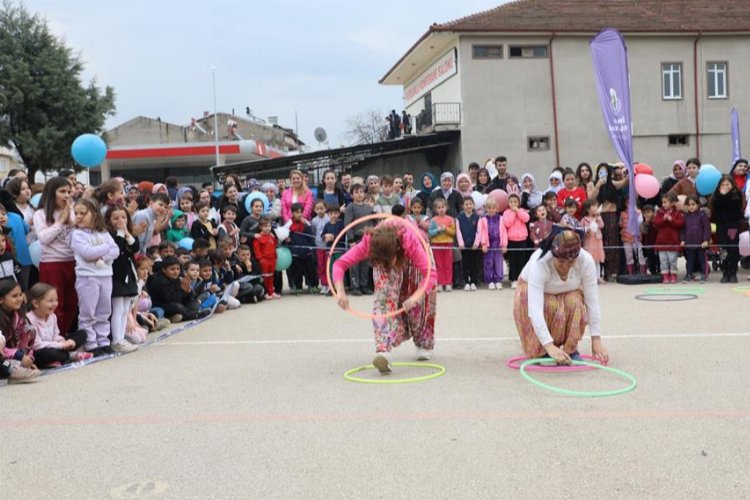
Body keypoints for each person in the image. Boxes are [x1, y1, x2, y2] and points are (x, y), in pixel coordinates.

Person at [332, 219, 437, 373]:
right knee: (383, 300)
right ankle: (383, 351)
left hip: (417, 259)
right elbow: (339, 264)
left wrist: (415, 297)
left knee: (417, 304)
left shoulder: (409, 241)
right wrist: (340, 292)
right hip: (386, 255)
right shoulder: (369, 243)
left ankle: (422, 342)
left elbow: (430, 274)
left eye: (386, 262)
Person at [513, 229, 609, 365]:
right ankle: (542, 351)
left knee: (575, 301)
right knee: (548, 303)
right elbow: (534, 309)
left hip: (568, 294)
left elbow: (592, 302)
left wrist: (596, 340)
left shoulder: (586, 261)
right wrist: (548, 345)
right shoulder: (539, 262)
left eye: (571, 262)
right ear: (553, 256)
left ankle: (571, 350)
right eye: (561, 262)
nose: (565, 267)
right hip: (536, 295)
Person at [70, 198, 120, 355]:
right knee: (88, 312)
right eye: (76, 213)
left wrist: (102, 256)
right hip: (87, 277)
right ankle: (91, 343)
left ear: (94, 214)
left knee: (104, 311)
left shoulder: (103, 233)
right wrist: (105, 248)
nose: (78, 217)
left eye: (83, 213)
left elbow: (116, 251)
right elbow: (87, 253)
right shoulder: (77, 234)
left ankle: (103, 340)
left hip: (105, 275)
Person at [33, 177, 78, 335]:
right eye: (62, 191)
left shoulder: (71, 211)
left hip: (72, 261)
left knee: (72, 302)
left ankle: (63, 334)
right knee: (54, 304)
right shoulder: (40, 213)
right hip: (52, 263)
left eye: (68, 191)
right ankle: (55, 337)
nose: (66, 195)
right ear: (52, 193)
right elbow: (44, 237)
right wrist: (61, 221)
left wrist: (70, 216)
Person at [28, 283, 92, 368]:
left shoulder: (52, 316)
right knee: (49, 354)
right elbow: (36, 345)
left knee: (82, 334)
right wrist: (61, 345)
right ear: (36, 303)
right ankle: (70, 356)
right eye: (50, 301)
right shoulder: (29, 320)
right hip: (40, 351)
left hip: (55, 346)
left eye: (56, 300)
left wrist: (63, 341)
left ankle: (60, 357)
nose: (55, 304)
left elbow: (55, 335)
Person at [106, 205, 141, 352]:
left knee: (126, 306)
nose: (120, 221)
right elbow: (116, 249)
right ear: (108, 220)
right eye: (116, 218)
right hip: (116, 275)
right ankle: (116, 339)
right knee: (118, 308)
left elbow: (135, 247)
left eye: (123, 218)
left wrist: (126, 233)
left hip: (128, 274)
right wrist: (120, 232)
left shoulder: (128, 234)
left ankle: (121, 337)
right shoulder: (110, 236)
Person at [710, 175, 744, 283]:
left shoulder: (737, 196)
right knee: (723, 249)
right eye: (723, 185)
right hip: (722, 226)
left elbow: (736, 210)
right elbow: (716, 209)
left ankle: (733, 272)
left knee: (733, 249)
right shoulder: (716, 197)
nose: (725, 187)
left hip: (733, 226)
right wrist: (722, 196)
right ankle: (725, 272)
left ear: (732, 185)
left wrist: (727, 195)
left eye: (727, 184)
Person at [343, 184, 375, 296]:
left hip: (366, 239)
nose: (359, 194)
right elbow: (347, 223)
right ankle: (355, 286)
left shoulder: (369, 208)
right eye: (356, 192)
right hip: (355, 239)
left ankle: (364, 285)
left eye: (361, 192)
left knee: (365, 263)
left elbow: (373, 223)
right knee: (354, 264)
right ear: (352, 195)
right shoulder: (350, 207)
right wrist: (351, 240)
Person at [653, 192, 684, 283]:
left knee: (672, 259)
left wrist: (672, 220)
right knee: (663, 260)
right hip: (661, 241)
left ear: (672, 203)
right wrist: (663, 219)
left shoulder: (677, 213)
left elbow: (680, 224)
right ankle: (665, 275)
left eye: (666, 202)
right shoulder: (659, 213)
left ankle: (673, 274)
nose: (664, 204)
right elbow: (655, 223)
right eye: (663, 202)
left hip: (673, 241)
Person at [477, 197, 507, 289]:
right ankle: (490, 281)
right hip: (488, 243)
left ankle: (498, 280)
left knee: (498, 262)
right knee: (488, 262)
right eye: (489, 208)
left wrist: (504, 245)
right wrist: (484, 244)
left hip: (498, 243)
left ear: (497, 208)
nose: (491, 210)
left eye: (493, 208)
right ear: (486, 208)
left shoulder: (501, 219)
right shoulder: (483, 219)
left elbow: (504, 232)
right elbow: (481, 232)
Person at [680, 195, 710, 283]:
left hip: (701, 243)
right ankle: (689, 274)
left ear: (698, 204)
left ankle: (704, 274)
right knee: (690, 260)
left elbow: (707, 228)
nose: (691, 207)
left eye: (693, 204)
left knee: (702, 259)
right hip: (689, 243)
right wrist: (683, 239)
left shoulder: (702, 215)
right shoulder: (685, 216)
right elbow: (682, 229)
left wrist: (705, 240)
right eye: (688, 205)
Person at [503, 193, 530, 289]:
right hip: (512, 240)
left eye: (515, 201)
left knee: (521, 260)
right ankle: (513, 279)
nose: (513, 203)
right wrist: (513, 213)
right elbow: (507, 223)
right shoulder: (506, 212)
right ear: (508, 203)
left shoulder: (522, 210)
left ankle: (522, 278)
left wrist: (518, 211)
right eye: (511, 202)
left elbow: (526, 219)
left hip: (522, 239)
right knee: (513, 260)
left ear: (519, 203)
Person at [428, 199, 456, 292]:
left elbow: (453, 232)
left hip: (448, 243)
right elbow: (430, 233)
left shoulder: (450, 219)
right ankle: (440, 283)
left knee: (448, 264)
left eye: (443, 207)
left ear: (446, 208)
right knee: (439, 265)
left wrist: (446, 229)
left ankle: (448, 283)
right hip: (437, 244)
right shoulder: (433, 220)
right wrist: (438, 230)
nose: (441, 209)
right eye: (439, 208)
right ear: (435, 209)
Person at [456, 196, 481, 291]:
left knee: (473, 264)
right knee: (465, 264)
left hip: (474, 246)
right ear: (463, 206)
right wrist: (461, 243)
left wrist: (476, 243)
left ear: (473, 205)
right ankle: (466, 282)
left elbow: (479, 231)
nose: (468, 206)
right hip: (464, 246)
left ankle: (473, 281)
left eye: (470, 204)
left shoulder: (477, 217)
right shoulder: (459, 218)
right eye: (466, 204)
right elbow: (458, 231)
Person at [253, 217, 280, 300]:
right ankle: (264, 292)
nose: (268, 228)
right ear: (261, 227)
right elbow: (256, 250)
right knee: (265, 277)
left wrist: (274, 238)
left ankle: (271, 292)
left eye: (269, 226)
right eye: (265, 226)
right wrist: (260, 259)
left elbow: (275, 244)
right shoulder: (259, 237)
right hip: (264, 260)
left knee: (271, 276)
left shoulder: (271, 236)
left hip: (272, 259)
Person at [580, 200, 605, 283]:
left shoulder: (598, 217)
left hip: (597, 241)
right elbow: (581, 230)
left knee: (597, 260)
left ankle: (598, 277)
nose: (596, 208)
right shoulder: (584, 219)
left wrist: (598, 217)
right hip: (589, 241)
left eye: (596, 206)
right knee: (589, 259)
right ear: (588, 209)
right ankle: (589, 277)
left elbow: (601, 225)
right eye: (593, 206)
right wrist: (587, 229)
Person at [310, 200, 330, 294]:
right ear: (314, 210)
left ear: (325, 209)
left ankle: (330, 284)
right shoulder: (314, 221)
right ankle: (323, 284)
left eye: (322, 208)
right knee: (321, 266)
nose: (320, 210)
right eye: (317, 209)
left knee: (328, 265)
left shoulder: (329, 219)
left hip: (328, 247)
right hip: (319, 247)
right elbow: (314, 233)